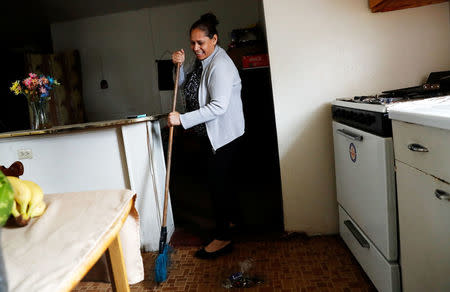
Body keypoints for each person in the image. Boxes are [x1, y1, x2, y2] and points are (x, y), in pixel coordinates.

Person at [169, 12, 245, 259]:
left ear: (214, 39)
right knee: (221, 182)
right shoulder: (201, 60)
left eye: (201, 42)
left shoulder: (220, 65)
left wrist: (182, 119)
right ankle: (231, 221)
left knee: (217, 185)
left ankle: (222, 238)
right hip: (207, 134)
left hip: (222, 135)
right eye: (192, 42)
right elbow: (183, 83)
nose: (195, 47)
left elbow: (219, 107)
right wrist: (177, 66)